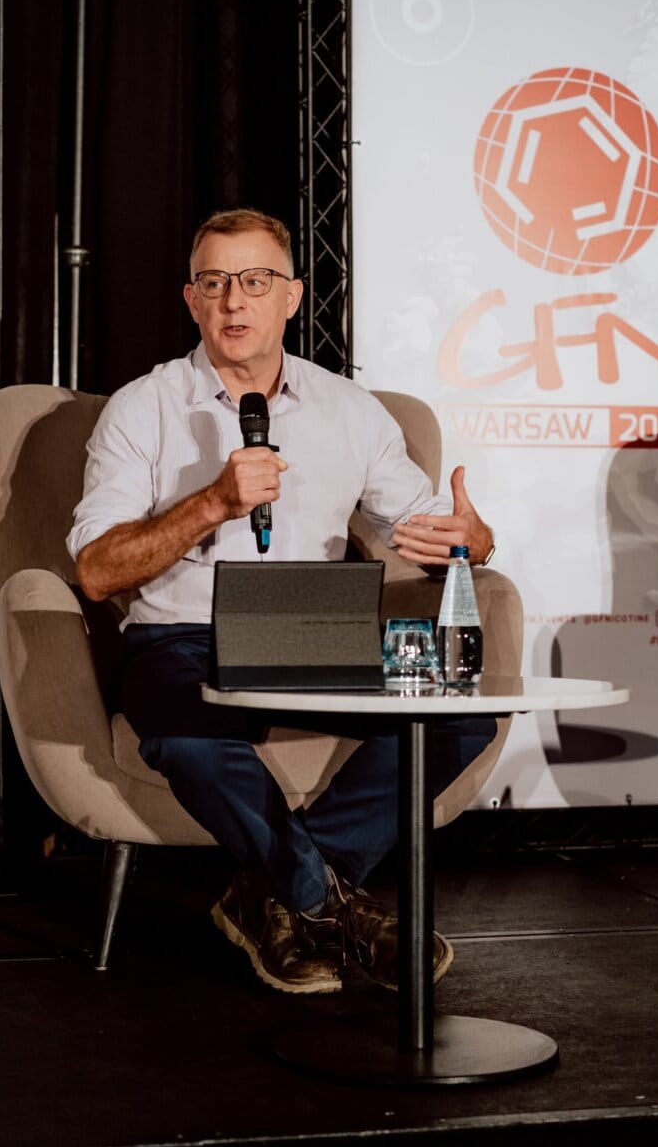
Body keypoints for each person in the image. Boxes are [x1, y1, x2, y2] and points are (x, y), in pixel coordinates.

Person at [67, 208, 497, 996]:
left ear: (292, 297)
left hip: (313, 630)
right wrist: (211, 504)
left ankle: (274, 894)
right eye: (214, 283)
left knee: (462, 714)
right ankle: (333, 906)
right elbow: (96, 571)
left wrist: (471, 537)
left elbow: (432, 534)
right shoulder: (143, 408)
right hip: (181, 636)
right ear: (191, 301)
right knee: (186, 737)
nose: (235, 301)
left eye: (256, 281)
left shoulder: (350, 411)